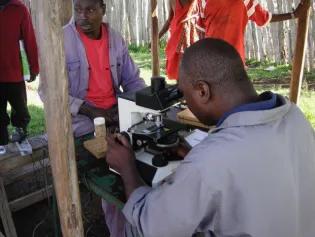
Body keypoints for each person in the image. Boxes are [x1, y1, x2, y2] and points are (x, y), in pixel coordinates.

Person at [104, 38, 315, 237]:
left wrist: (127, 168)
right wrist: (200, 162)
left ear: (202, 91)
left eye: (185, 95)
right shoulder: (294, 116)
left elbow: (152, 225)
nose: (185, 102)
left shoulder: (211, 159)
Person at [39, 0, 146, 137]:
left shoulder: (116, 39)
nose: (82, 16)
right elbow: (47, 91)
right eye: (78, 10)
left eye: (90, 10)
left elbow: (133, 80)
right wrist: (88, 110)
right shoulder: (59, 41)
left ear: (103, 10)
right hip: (80, 117)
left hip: (115, 111)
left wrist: (128, 105)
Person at [196, 0, 307, 63]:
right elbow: (265, 18)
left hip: (223, 60)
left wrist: (294, 15)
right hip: (226, 59)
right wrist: (293, 15)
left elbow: (265, 17)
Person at [0, 0, 39, 155]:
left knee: (21, 109)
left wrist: (34, 67)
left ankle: (21, 137)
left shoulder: (20, 9)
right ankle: (1, 141)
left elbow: (30, 39)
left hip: (15, 72)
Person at [159, 0, 202, 80]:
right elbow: (170, 19)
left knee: (190, 66)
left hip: (189, 33)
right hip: (176, 35)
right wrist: (158, 36)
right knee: (178, 67)